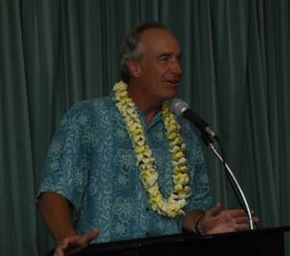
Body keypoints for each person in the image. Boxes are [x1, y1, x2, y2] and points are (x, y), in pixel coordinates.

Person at [37, 22, 258, 256]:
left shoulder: (187, 135)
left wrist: (201, 224)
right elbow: (54, 191)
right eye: (165, 59)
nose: (177, 69)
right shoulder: (87, 118)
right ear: (134, 67)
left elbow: (191, 210)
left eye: (178, 59)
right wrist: (66, 237)